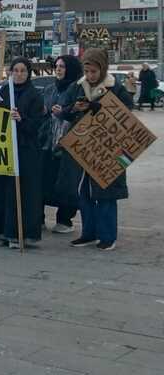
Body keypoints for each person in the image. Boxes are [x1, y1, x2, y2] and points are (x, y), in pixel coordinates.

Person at [59, 49, 133, 251]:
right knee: (84, 193)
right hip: (83, 148)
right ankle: (89, 233)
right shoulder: (77, 87)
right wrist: (73, 109)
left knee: (106, 193)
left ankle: (108, 236)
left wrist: (95, 107)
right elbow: (63, 110)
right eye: (87, 71)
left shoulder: (115, 88)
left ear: (102, 69)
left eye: (94, 71)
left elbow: (127, 110)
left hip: (107, 149)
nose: (90, 75)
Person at [0, 58, 45, 249]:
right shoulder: (0, 92)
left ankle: (18, 233)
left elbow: (39, 125)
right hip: (1, 149)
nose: (18, 74)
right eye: (15, 71)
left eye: (22, 71)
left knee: (21, 192)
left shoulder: (34, 95)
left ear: (28, 73)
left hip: (25, 151)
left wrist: (21, 119)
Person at [42, 55, 82, 234]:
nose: (58, 69)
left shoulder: (78, 89)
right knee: (45, 179)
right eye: (57, 66)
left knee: (67, 182)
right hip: (48, 143)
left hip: (69, 144)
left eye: (63, 66)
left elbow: (81, 113)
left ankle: (64, 219)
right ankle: (38, 217)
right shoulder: (50, 89)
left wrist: (65, 112)